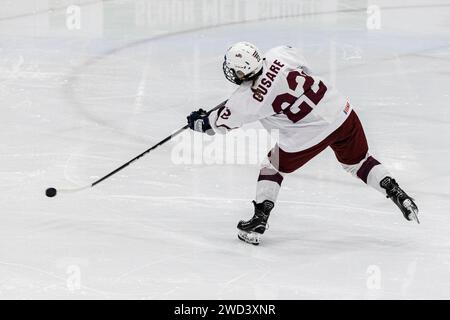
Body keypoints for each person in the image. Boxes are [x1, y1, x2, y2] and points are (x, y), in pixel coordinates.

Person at [187, 42, 419, 245]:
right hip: (339, 111)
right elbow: (303, 69)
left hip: (306, 135)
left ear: (241, 71)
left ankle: (259, 220)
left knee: (272, 165)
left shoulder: (245, 100)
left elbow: (214, 126)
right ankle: (396, 191)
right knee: (360, 162)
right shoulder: (279, 54)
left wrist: (199, 120)